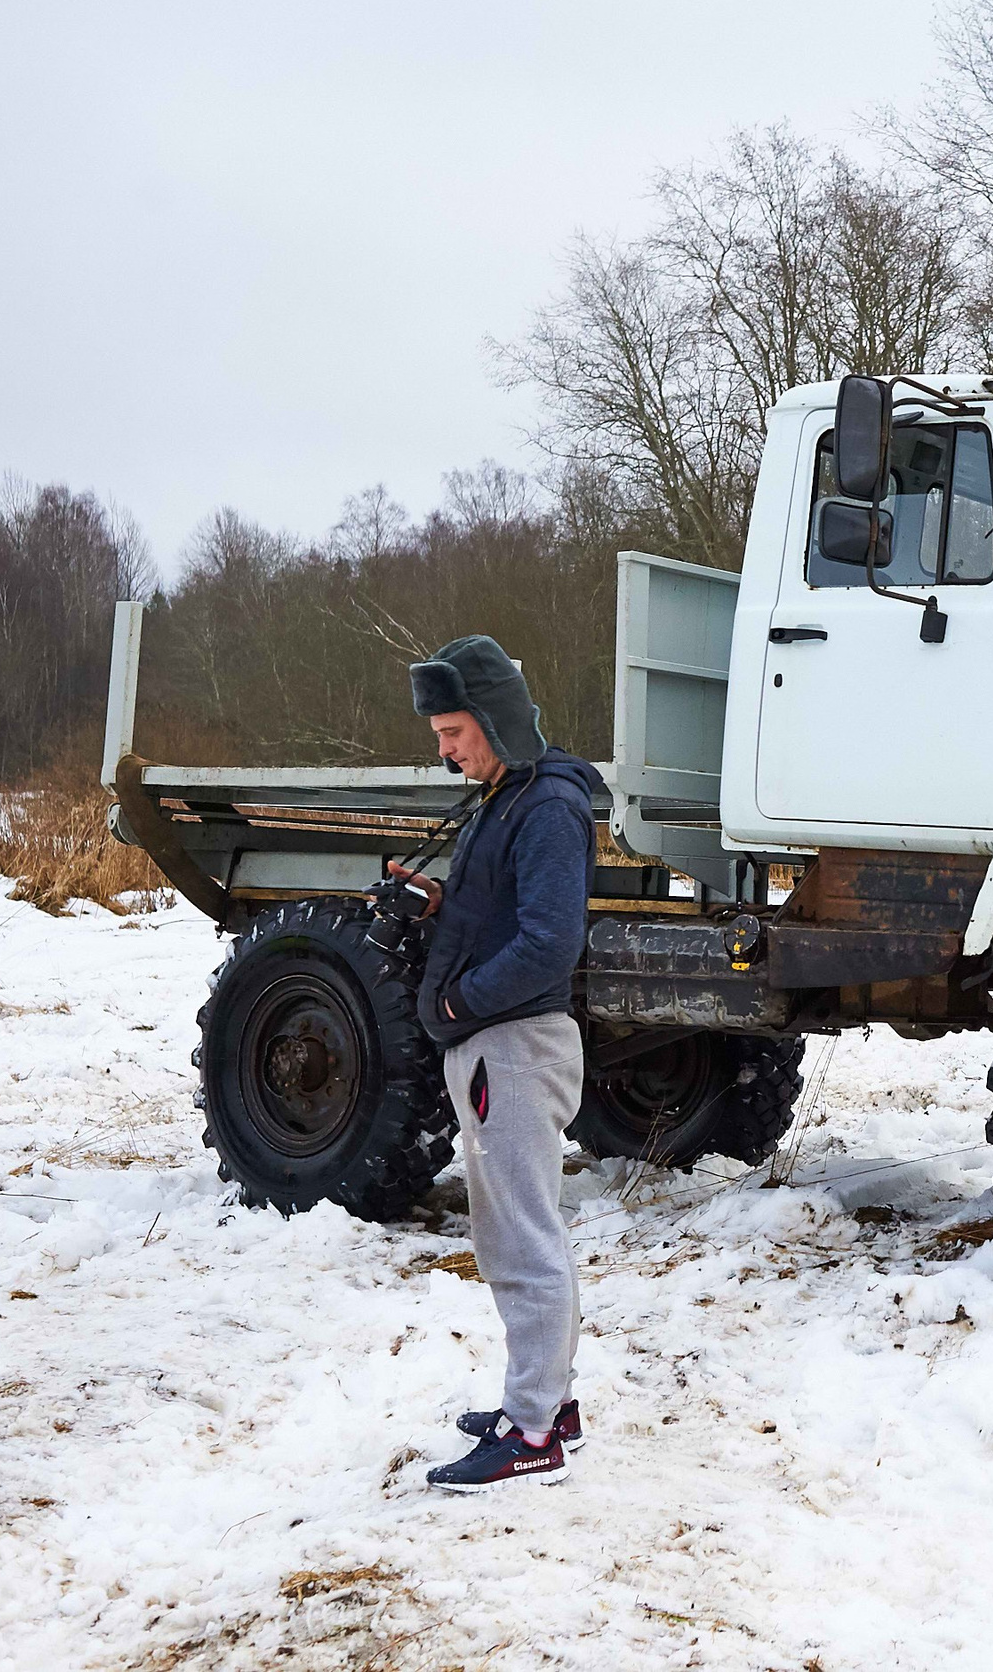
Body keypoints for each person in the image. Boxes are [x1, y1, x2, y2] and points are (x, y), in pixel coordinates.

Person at [392, 634, 603, 1492]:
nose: (443, 748)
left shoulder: (546, 807)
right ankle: (551, 1402)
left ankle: (533, 1430)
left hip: (512, 1049)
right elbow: (511, 910)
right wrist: (441, 902)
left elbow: (552, 942)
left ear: (494, 720)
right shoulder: (509, 793)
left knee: (521, 1240)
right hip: (500, 1046)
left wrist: (457, 1001)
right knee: (517, 1229)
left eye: (453, 731)